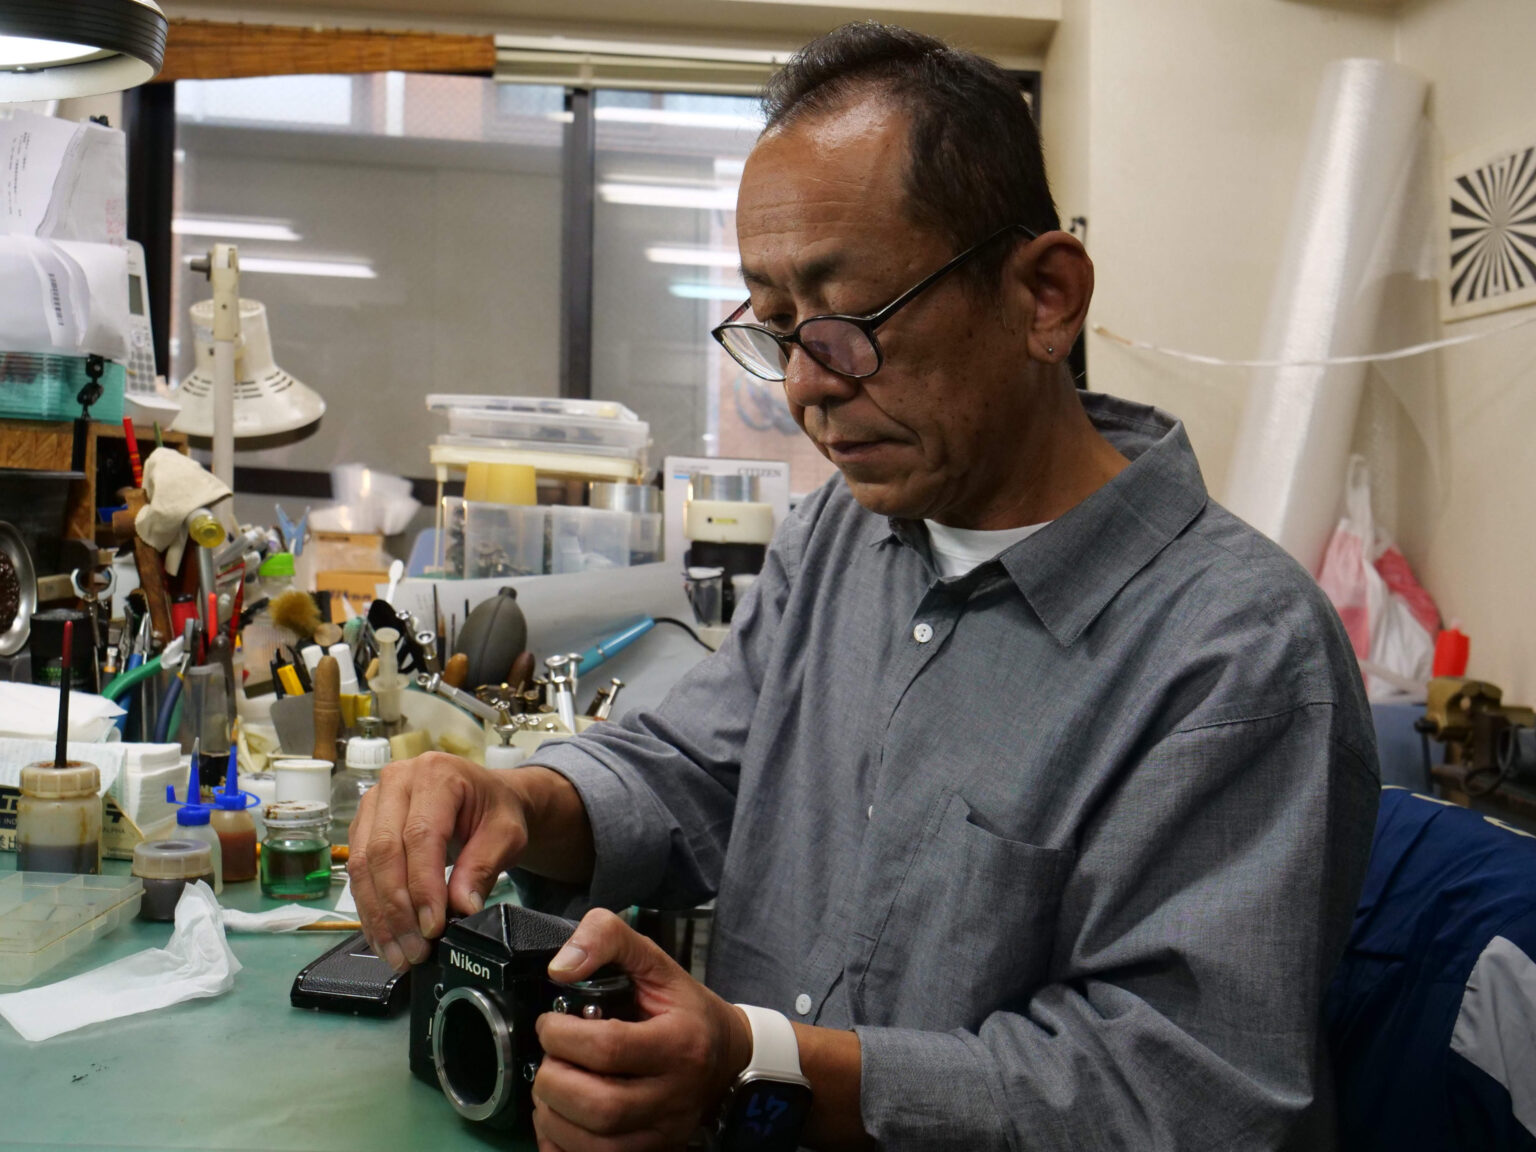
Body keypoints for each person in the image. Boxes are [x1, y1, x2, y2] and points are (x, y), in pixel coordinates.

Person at [351, 22, 1380, 1151]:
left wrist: (758, 1068)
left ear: (1044, 296)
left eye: (849, 323)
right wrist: (517, 801)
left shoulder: (1238, 653)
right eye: (776, 328)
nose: (804, 387)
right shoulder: (840, 535)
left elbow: (1179, 1096)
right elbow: (698, 766)